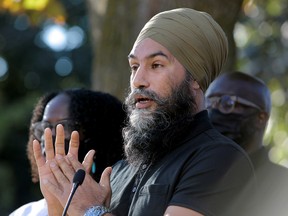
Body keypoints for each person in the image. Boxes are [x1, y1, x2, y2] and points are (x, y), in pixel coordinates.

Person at [33, 8, 256, 216]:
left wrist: (90, 210)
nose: (138, 81)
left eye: (156, 65)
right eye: (134, 67)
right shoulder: (120, 170)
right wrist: (58, 201)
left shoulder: (221, 158)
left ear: (195, 77)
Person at [10, 88, 126, 216]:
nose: (49, 134)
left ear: (96, 135)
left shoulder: (124, 206)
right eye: (45, 126)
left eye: (64, 127)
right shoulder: (24, 213)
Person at [205, 71, 288, 216]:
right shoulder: (196, 172)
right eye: (209, 102)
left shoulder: (282, 184)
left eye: (227, 102)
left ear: (260, 118)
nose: (214, 110)